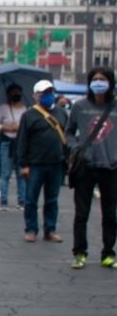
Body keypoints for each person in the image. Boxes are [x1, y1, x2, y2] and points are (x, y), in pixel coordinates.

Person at [66, 67, 117, 270]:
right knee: (81, 213)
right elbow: (68, 132)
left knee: (110, 213)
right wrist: (75, 148)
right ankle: (79, 252)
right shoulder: (79, 107)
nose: (98, 82)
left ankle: (108, 253)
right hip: (85, 166)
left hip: (111, 166)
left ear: (110, 83)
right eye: (94, 79)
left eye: (102, 79)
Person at [17, 80, 67, 244]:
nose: (47, 96)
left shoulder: (61, 113)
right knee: (31, 199)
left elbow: (66, 137)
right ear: (35, 96)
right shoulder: (29, 115)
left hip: (56, 163)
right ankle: (31, 229)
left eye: (50, 92)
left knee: (52, 199)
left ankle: (50, 230)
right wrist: (24, 164)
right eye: (44, 93)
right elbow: (22, 141)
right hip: (35, 164)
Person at [0, 84, 28, 209]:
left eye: (18, 92)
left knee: (21, 174)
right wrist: (6, 127)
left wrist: (20, 128)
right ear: (8, 94)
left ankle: (22, 201)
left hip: (21, 145)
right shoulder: (3, 108)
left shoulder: (25, 109)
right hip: (7, 143)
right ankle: (4, 201)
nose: (16, 94)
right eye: (13, 92)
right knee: (5, 174)